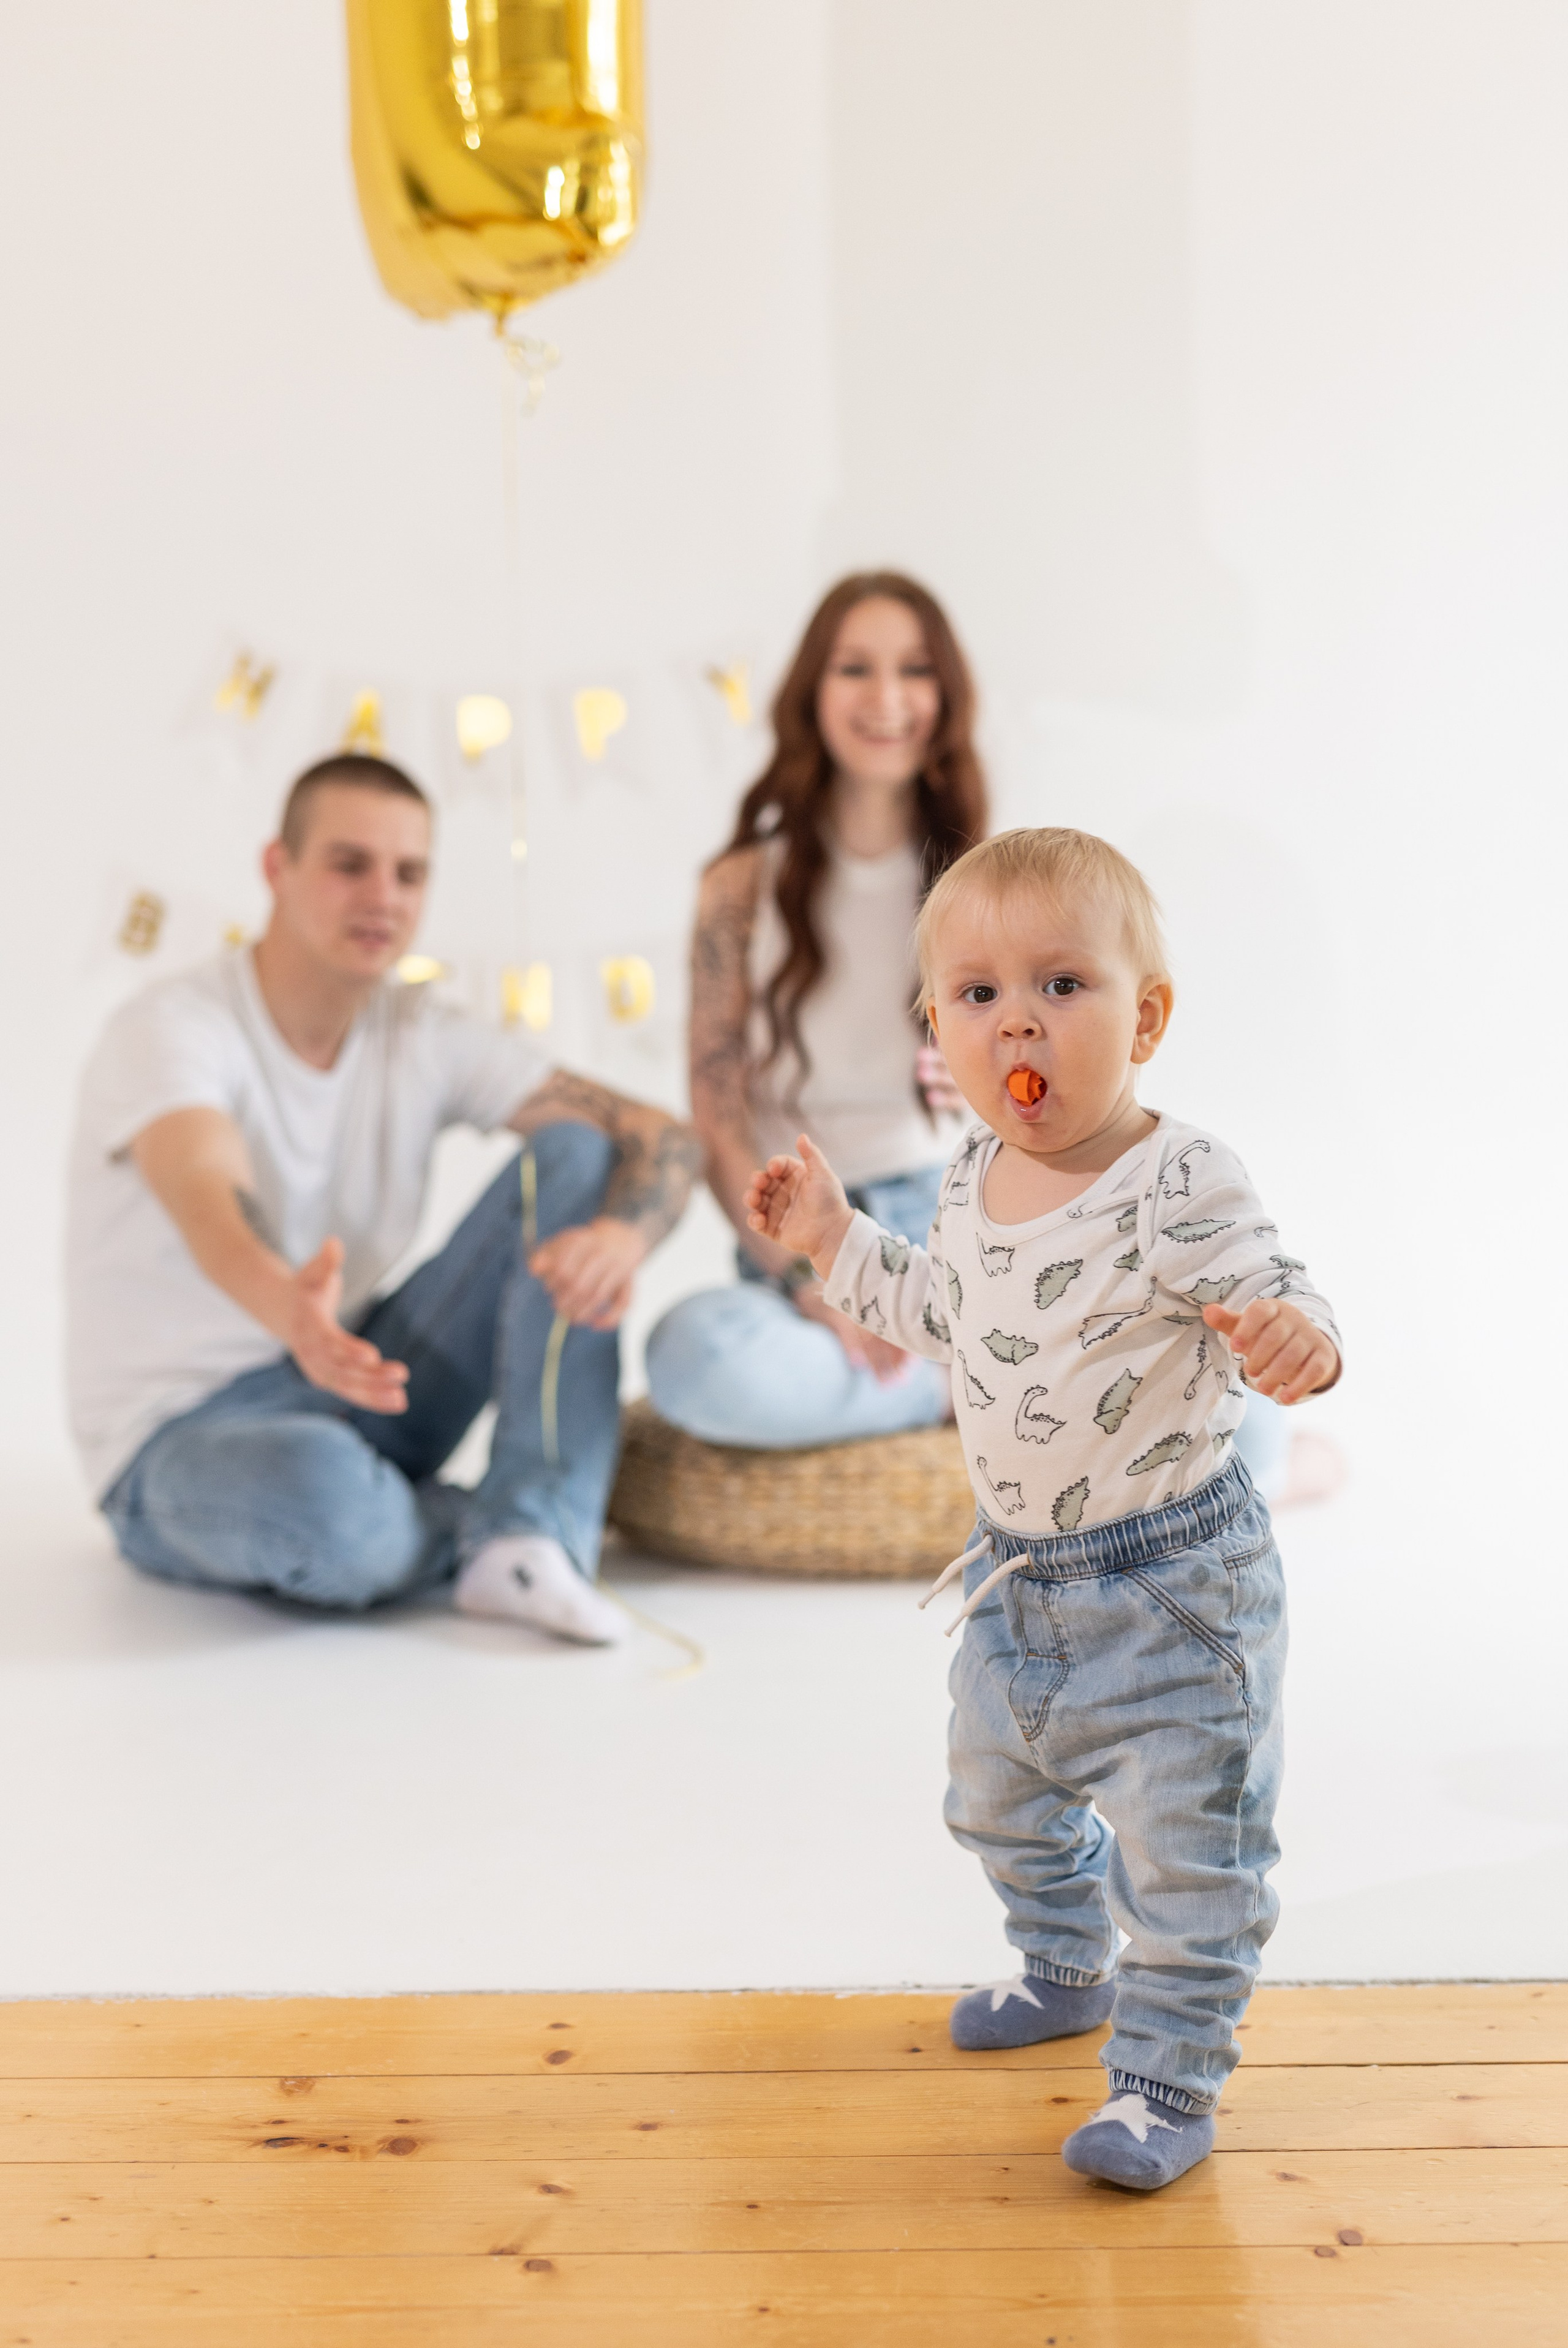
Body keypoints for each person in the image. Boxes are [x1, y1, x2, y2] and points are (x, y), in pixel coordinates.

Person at [744, 827, 1341, 2190]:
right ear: (936, 1033)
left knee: (1189, 1858)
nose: (1017, 1020)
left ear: (1146, 1018)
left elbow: (1273, 1278)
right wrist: (834, 1236)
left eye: (1062, 985)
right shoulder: (967, 1177)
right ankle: (1064, 1963)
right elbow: (939, 1314)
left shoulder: (1178, 1180)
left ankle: (1163, 2081)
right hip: (1016, 1585)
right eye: (978, 994)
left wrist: (1293, 1334)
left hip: (1174, 1592)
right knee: (994, 1800)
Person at [67, 754, 701, 1646]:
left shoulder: (423, 1030)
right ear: (277, 867)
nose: (383, 897)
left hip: (360, 1374)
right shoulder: (173, 1026)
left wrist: (620, 1240)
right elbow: (206, 1190)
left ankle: (533, 1532)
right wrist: (290, 1308)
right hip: (179, 1441)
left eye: (409, 873)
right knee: (327, 1502)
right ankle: (501, 1527)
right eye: (349, 864)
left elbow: (659, 1132)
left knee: (578, 1152)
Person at [645, 573, 987, 1448]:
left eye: (915, 670)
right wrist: (813, 1283)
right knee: (695, 1357)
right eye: (854, 668)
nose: (886, 698)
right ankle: (956, 1391)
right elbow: (717, 1112)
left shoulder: (985, 877)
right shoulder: (740, 885)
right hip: (793, 1230)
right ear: (812, 693)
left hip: (946, 1228)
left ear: (946, 696)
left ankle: (948, 1373)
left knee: (1221, 1398)